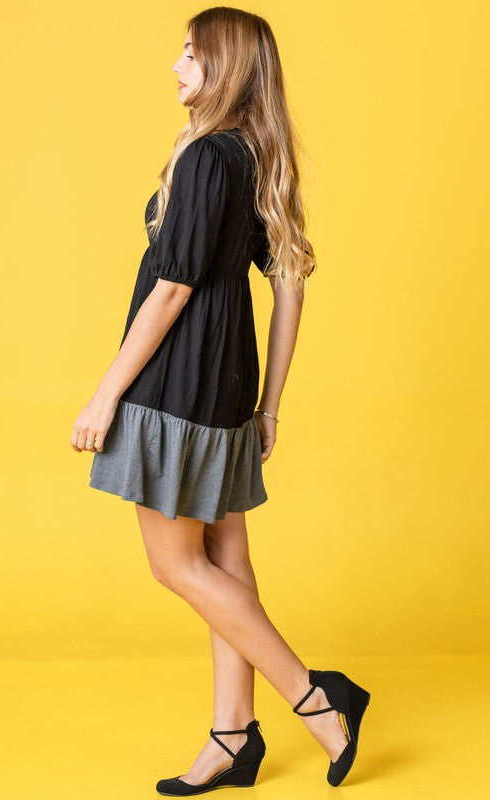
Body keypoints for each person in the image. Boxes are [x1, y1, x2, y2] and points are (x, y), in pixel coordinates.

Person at [70, 7, 370, 795]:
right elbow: (290, 282)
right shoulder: (256, 155)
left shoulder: (207, 157)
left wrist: (106, 393)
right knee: (227, 564)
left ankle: (316, 698)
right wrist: (269, 404)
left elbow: (171, 289)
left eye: (190, 54)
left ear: (226, 67)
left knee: (177, 566)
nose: (175, 67)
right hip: (229, 385)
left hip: (177, 384)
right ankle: (231, 738)